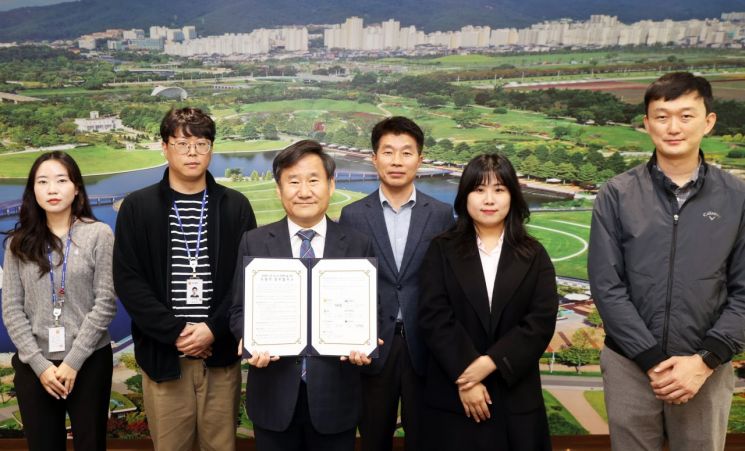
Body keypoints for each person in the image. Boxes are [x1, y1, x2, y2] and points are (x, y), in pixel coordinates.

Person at [588, 72, 745, 451]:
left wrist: (705, 360)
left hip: (705, 369)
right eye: (661, 116)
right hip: (630, 363)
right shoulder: (617, 193)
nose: (673, 127)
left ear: (708, 122)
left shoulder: (737, 197)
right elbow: (607, 286)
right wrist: (651, 359)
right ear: (646, 124)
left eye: (686, 115)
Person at [113, 107, 257, 451]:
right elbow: (129, 281)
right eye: (182, 144)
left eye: (201, 144)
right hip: (165, 357)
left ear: (212, 148)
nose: (192, 153)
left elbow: (248, 278)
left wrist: (212, 328)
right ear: (165, 147)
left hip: (219, 355)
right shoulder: (138, 206)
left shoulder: (235, 206)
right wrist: (176, 332)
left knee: (220, 445)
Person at [229, 140, 375, 451]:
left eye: (313, 180)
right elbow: (238, 311)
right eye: (293, 181)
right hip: (273, 396)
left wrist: (365, 340)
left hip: (336, 398)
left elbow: (369, 312)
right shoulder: (253, 242)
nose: (304, 191)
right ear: (279, 189)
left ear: (331, 185)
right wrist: (249, 338)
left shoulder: (357, 244)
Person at [418, 154, 557, 451]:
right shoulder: (441, 249)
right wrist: (467, 377)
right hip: (453, 395)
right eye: (479, 189)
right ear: (465, 196)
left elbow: (540, 321)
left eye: (499, 189)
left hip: (514, 395)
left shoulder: (534, 254)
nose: (489, 199)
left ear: (513, 196)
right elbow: (434, 316)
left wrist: (490, 363)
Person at [339, 116, 453, 450]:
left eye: (406, 152)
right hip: (374, 347)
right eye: (388, 152)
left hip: (426, 346)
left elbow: (450, 284)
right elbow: (348, 285)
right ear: (374, 159)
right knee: (374, 438)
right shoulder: (353, 215)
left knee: (427, 438)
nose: (397, 161)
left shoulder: (442, 214)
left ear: (420, 159)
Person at [2, 151, 116, 451]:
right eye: (43, 181)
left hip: (89, 362)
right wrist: (40, 366)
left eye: (61, 180)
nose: (52, 189)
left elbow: (105, 302)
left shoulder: (99, 234)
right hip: (34, 366)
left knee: (90, 444)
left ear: (76, 187)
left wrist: (72, 362)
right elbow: (12, 310)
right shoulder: (17, 244)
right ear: (33, 190)